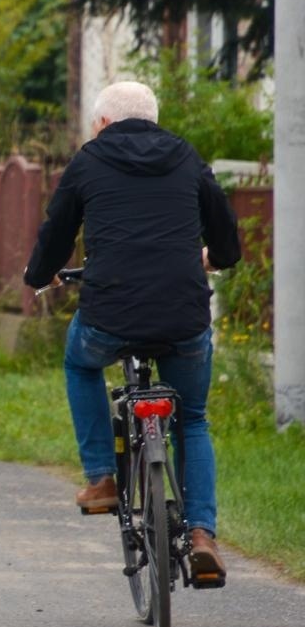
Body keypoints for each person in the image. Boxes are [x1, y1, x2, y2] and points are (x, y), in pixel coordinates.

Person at [24, 80, 242, 584]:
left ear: (102, 124)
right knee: (193, 420)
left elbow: (56, 232)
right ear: (154, 119)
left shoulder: (88, 161)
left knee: (80, 363)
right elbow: (226, 233)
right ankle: (203, 534)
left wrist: (39, 276)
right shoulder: (186, 158)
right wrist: (215, 258)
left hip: (110, 317)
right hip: (185, 318)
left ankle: (101, 477)